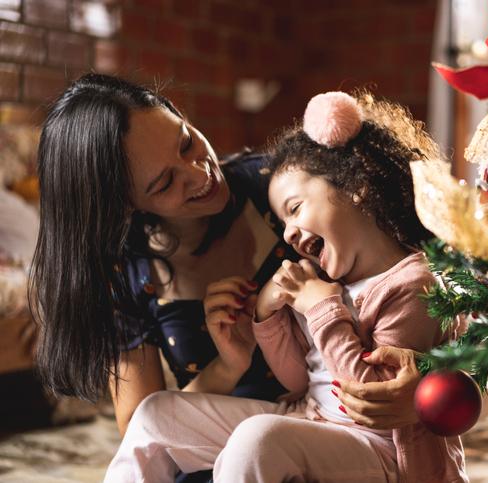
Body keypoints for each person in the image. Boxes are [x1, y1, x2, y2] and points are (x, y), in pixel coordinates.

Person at [30, 74, 425, 482]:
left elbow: (461, 304)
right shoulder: (126, 269)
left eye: (187, 142)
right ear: (126, 206)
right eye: (165, 182)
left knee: (260, 441)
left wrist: (428, 389)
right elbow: (141, 436)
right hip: (236, 448)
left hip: (340, 446)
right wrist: (228, 364)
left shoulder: (281, 188)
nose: (199, 173)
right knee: (156, 419)